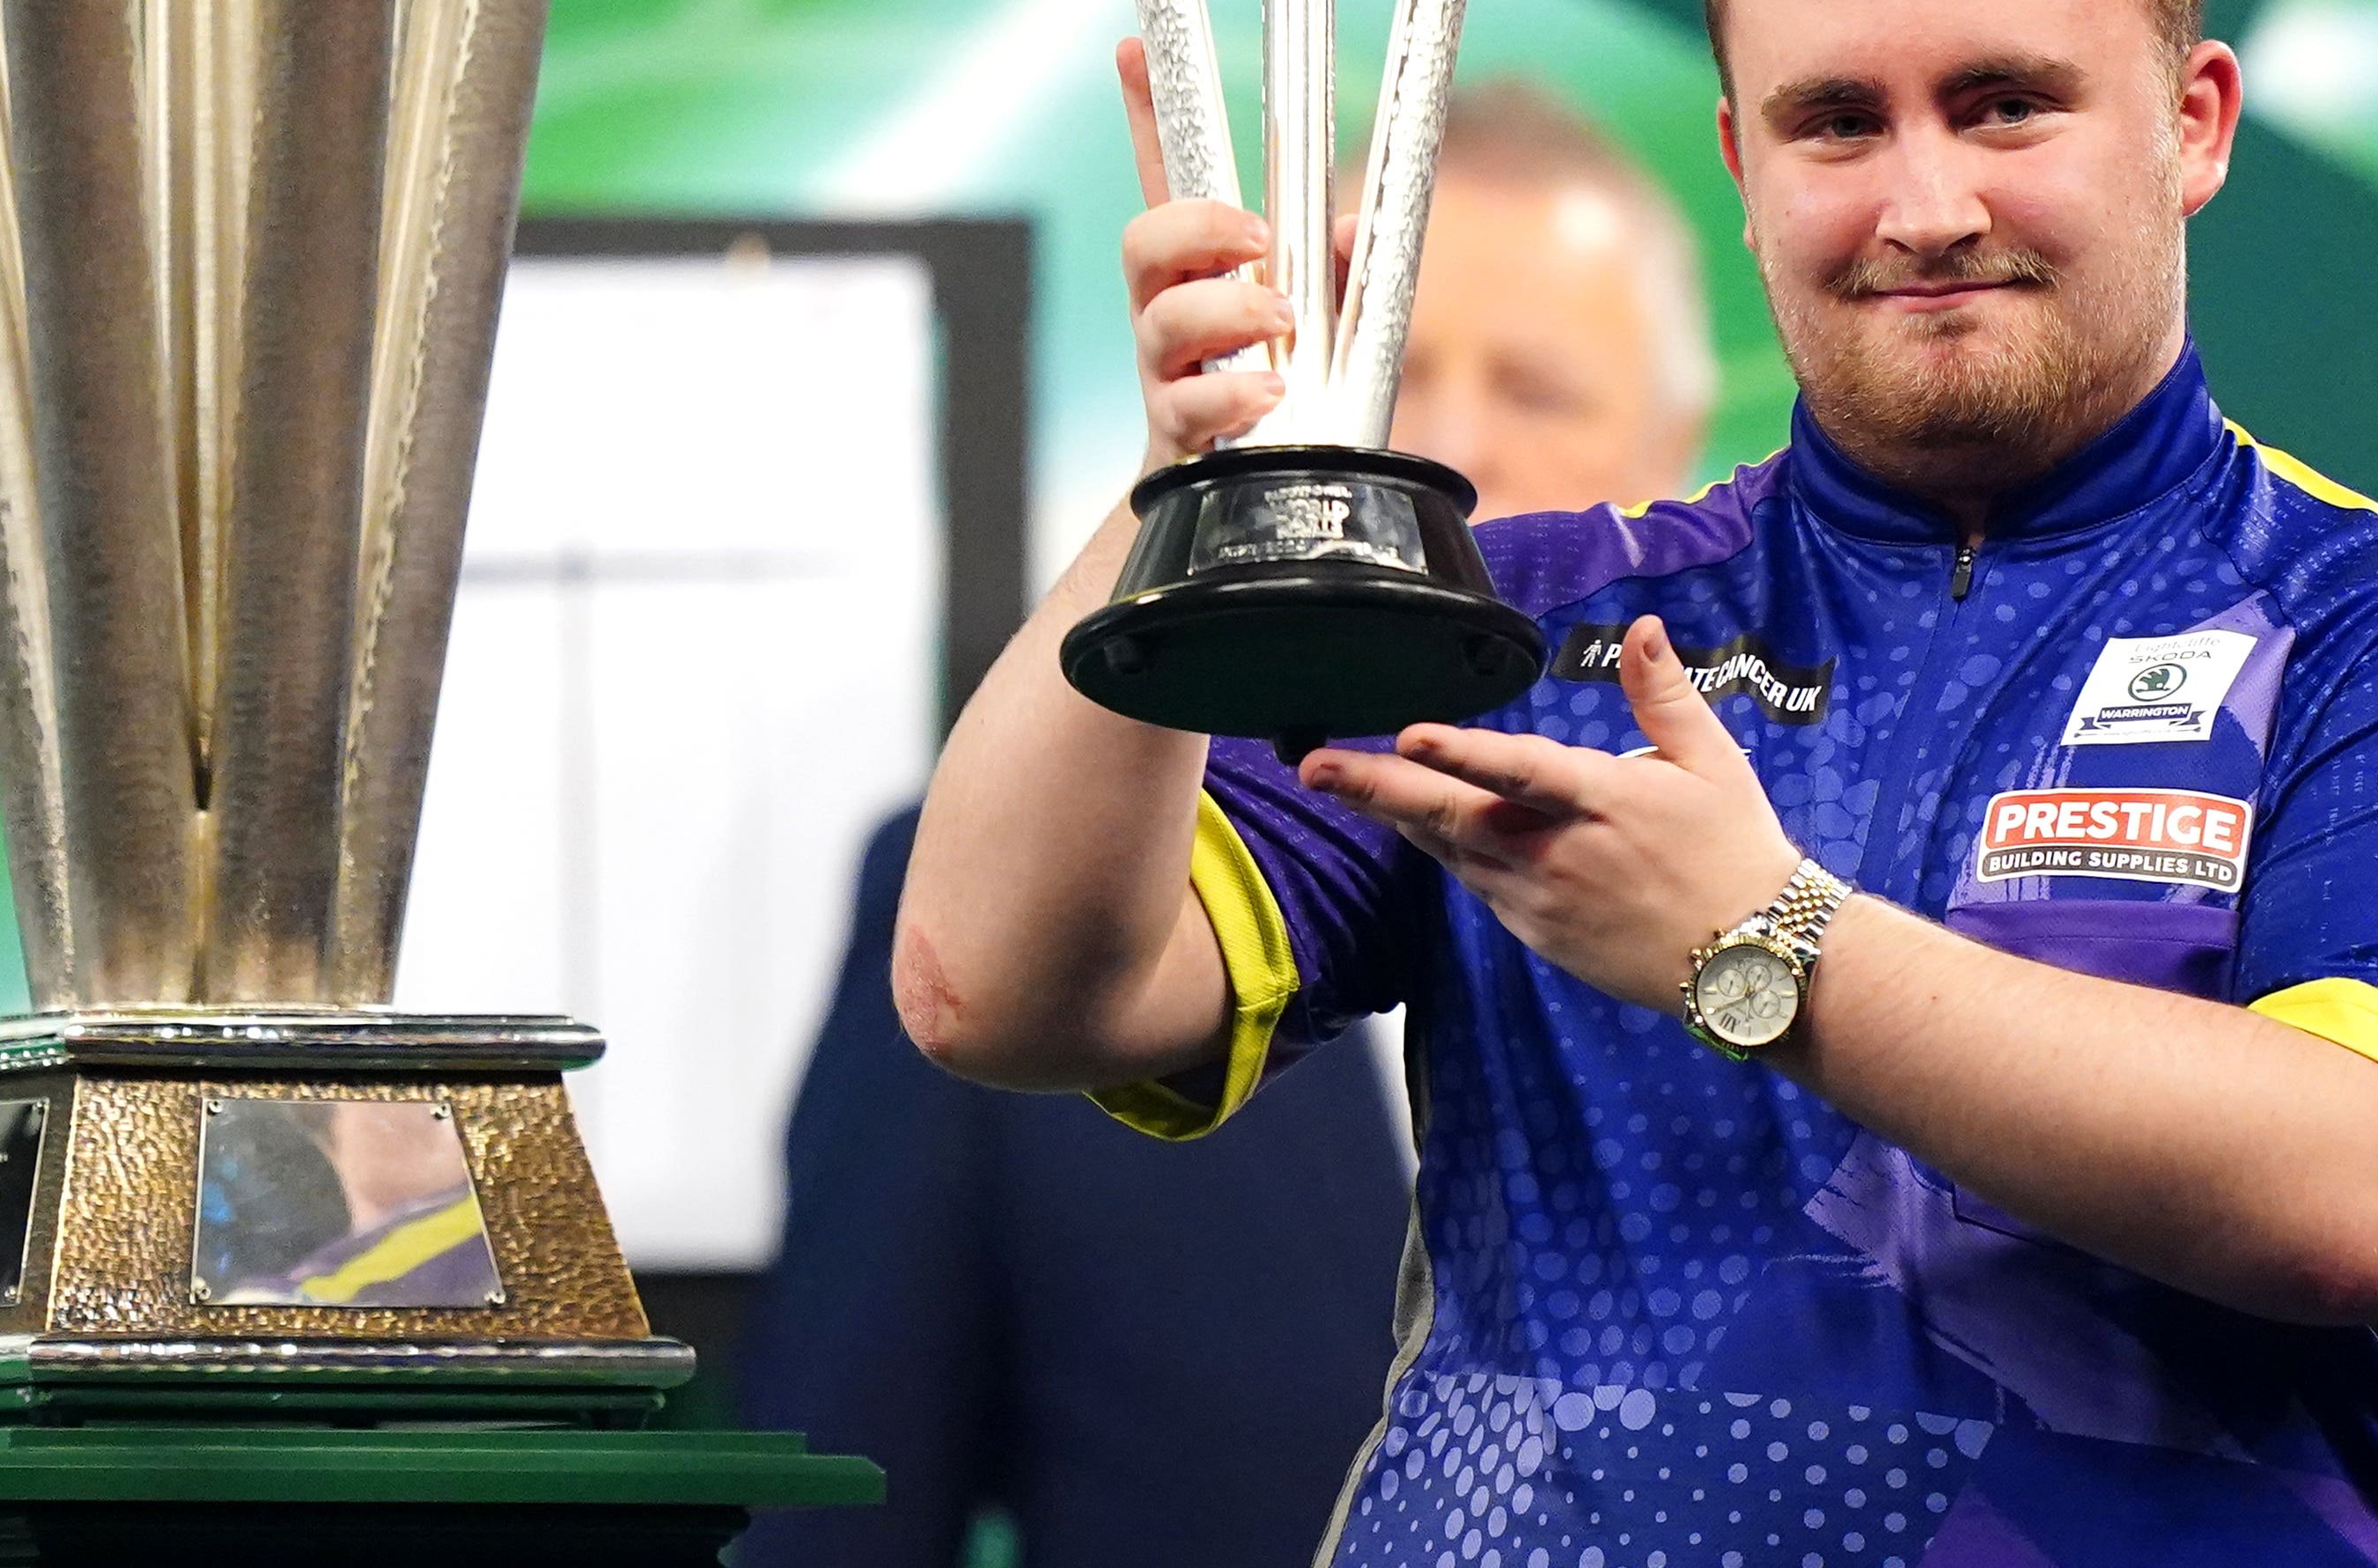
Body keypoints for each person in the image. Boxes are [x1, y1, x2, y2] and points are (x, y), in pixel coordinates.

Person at [899, 0, 2378, 1568]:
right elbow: (1000, 991)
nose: (1924, 202)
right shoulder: (1522, 616)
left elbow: (2359, 1196)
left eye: (2007, 101)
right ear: (1739, 154)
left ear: (2189, 119)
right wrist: (1183, 485)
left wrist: (1760, 944)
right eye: (1837, 120)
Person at [738, 86, 1722, 1568]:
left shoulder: (1793, 883)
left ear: (1677, 447)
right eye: (1391, 373)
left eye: (1532, 389)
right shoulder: (1034, 893)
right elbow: (846, 1488)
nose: (1442, 453)